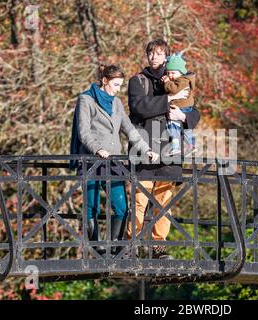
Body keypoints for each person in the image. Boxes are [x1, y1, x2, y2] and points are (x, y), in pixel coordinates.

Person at [70, 64, 159, 256]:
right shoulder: (86, 99)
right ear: (105, 81)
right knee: (91, 207)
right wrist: (97, 149)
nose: (118, 89)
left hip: (113, 163)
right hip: (91, 161)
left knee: (122, 207)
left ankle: (113, 247)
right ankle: (96, 248)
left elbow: (130, 130)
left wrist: (146, 149)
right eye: (116, 85)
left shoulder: (117, 103)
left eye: (120, 85)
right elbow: (83, 132)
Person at [126, 39, 200, 259]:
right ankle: (132, 245)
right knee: (139, 200)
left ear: (166, 57)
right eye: (150, 53)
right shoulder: (137, 81)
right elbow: (138, 108)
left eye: (158, 54)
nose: (153, 57)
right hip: (145, 149)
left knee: (163, 202)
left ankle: (158, 248)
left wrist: (183, 116)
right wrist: (168, 100)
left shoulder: (180, 79)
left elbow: (194, 111)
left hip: (170, 151)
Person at [161, 52, 197, 156]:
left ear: (180, 72)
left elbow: (173, 89)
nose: (170, 76)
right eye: (168, 73)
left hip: (182, 106)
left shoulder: (182, 81)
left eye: (173, 73)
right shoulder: (184, 79)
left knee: (172, 125)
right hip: (185, 106)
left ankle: (175, 147)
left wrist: (166, 82)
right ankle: (191, 145)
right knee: (186, 129)